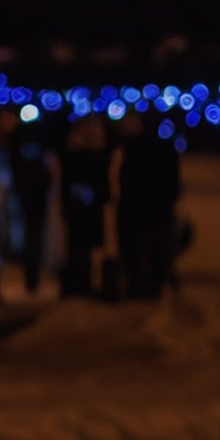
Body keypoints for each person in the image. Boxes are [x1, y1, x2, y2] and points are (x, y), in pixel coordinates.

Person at [116, 111, 184, 301]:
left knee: (143, 253)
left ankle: (141, 290)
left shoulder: (136, 149)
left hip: (141, 211)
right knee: (154, 253)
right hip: (153, 211)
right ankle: (148, 289)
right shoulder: (163, 149)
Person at [58, 114, 112, 300]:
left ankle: (85, 284)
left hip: (86, 209)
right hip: (81, 209)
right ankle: (81, 284)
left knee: (85, 248)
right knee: (80, 248)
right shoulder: (80, 154)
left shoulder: (91, 155)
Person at [1, 112, 54, 297]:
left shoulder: (19, 149)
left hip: (29, 195)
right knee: (32, 235)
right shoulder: (33, 152)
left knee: (32, 235)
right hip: (31, 196)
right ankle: (32, 278)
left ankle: (32, 278)